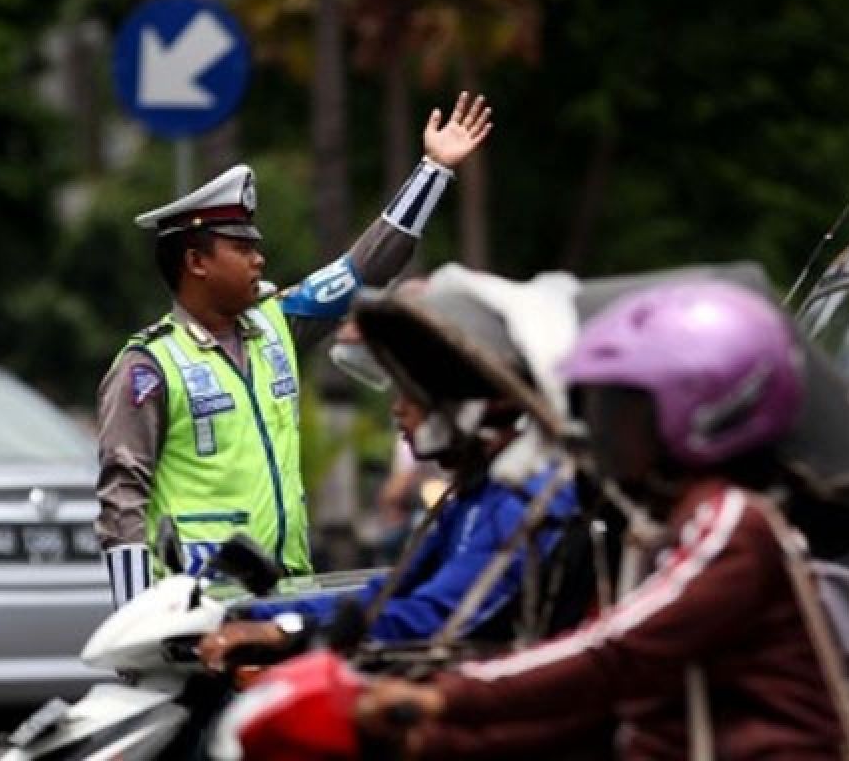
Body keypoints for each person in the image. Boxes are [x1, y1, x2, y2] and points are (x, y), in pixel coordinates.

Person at [353, 280, 848, 760]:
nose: (607, 432)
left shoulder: (733, 526)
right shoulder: (654, 529)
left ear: (710, 410)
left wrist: (447, 697)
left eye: (625, 413)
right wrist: (440, 743)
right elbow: (610, 714)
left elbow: (612, 657)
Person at [95, 92, 493, 607]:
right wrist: (137, 624)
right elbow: (122, 499)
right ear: (196, 261)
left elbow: (363, 269)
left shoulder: (278, 325)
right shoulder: (148, 366)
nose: (259, 260)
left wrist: (433, 171)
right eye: (242, 249)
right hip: (194, 607)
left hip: (284, 593)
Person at [196, 271, 580, 667]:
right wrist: (241, 614)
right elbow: (388, 592)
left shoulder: (524, 499)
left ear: (468, 400)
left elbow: (434, 618)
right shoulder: (475, 494)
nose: (398, 408)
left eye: (413, 393)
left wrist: (287, 631)